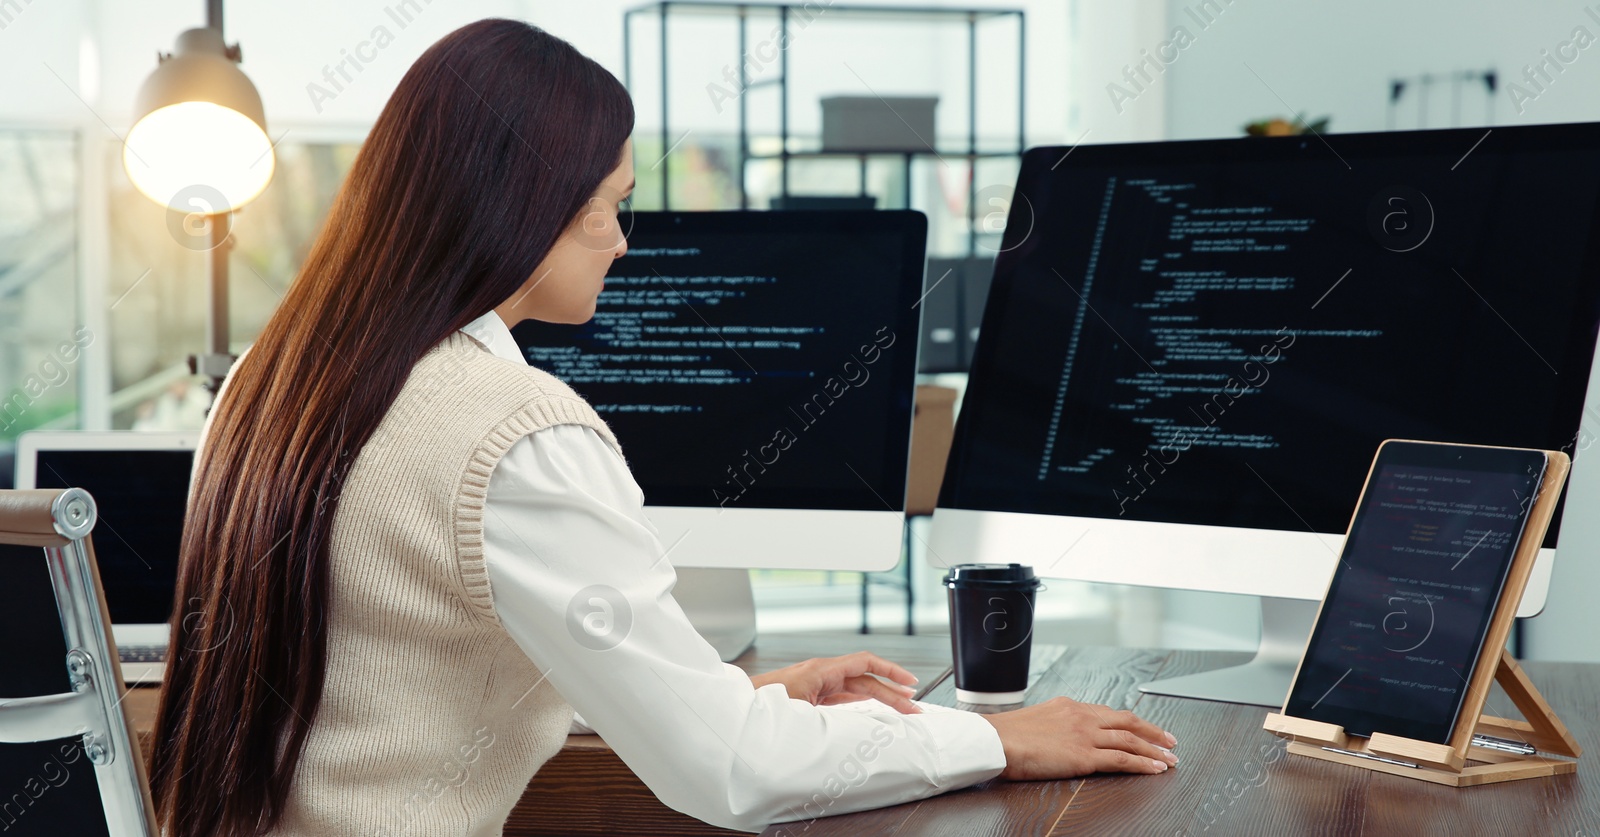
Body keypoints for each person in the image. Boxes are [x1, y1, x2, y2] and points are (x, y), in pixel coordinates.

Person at [146, 19, 1177, 837]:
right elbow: (727, 773)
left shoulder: (273, 382)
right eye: (608, 206)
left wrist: (720, 691)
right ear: (519, 206)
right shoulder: (514, 432)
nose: (623, 241)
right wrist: (995, 742)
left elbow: (398, 681)